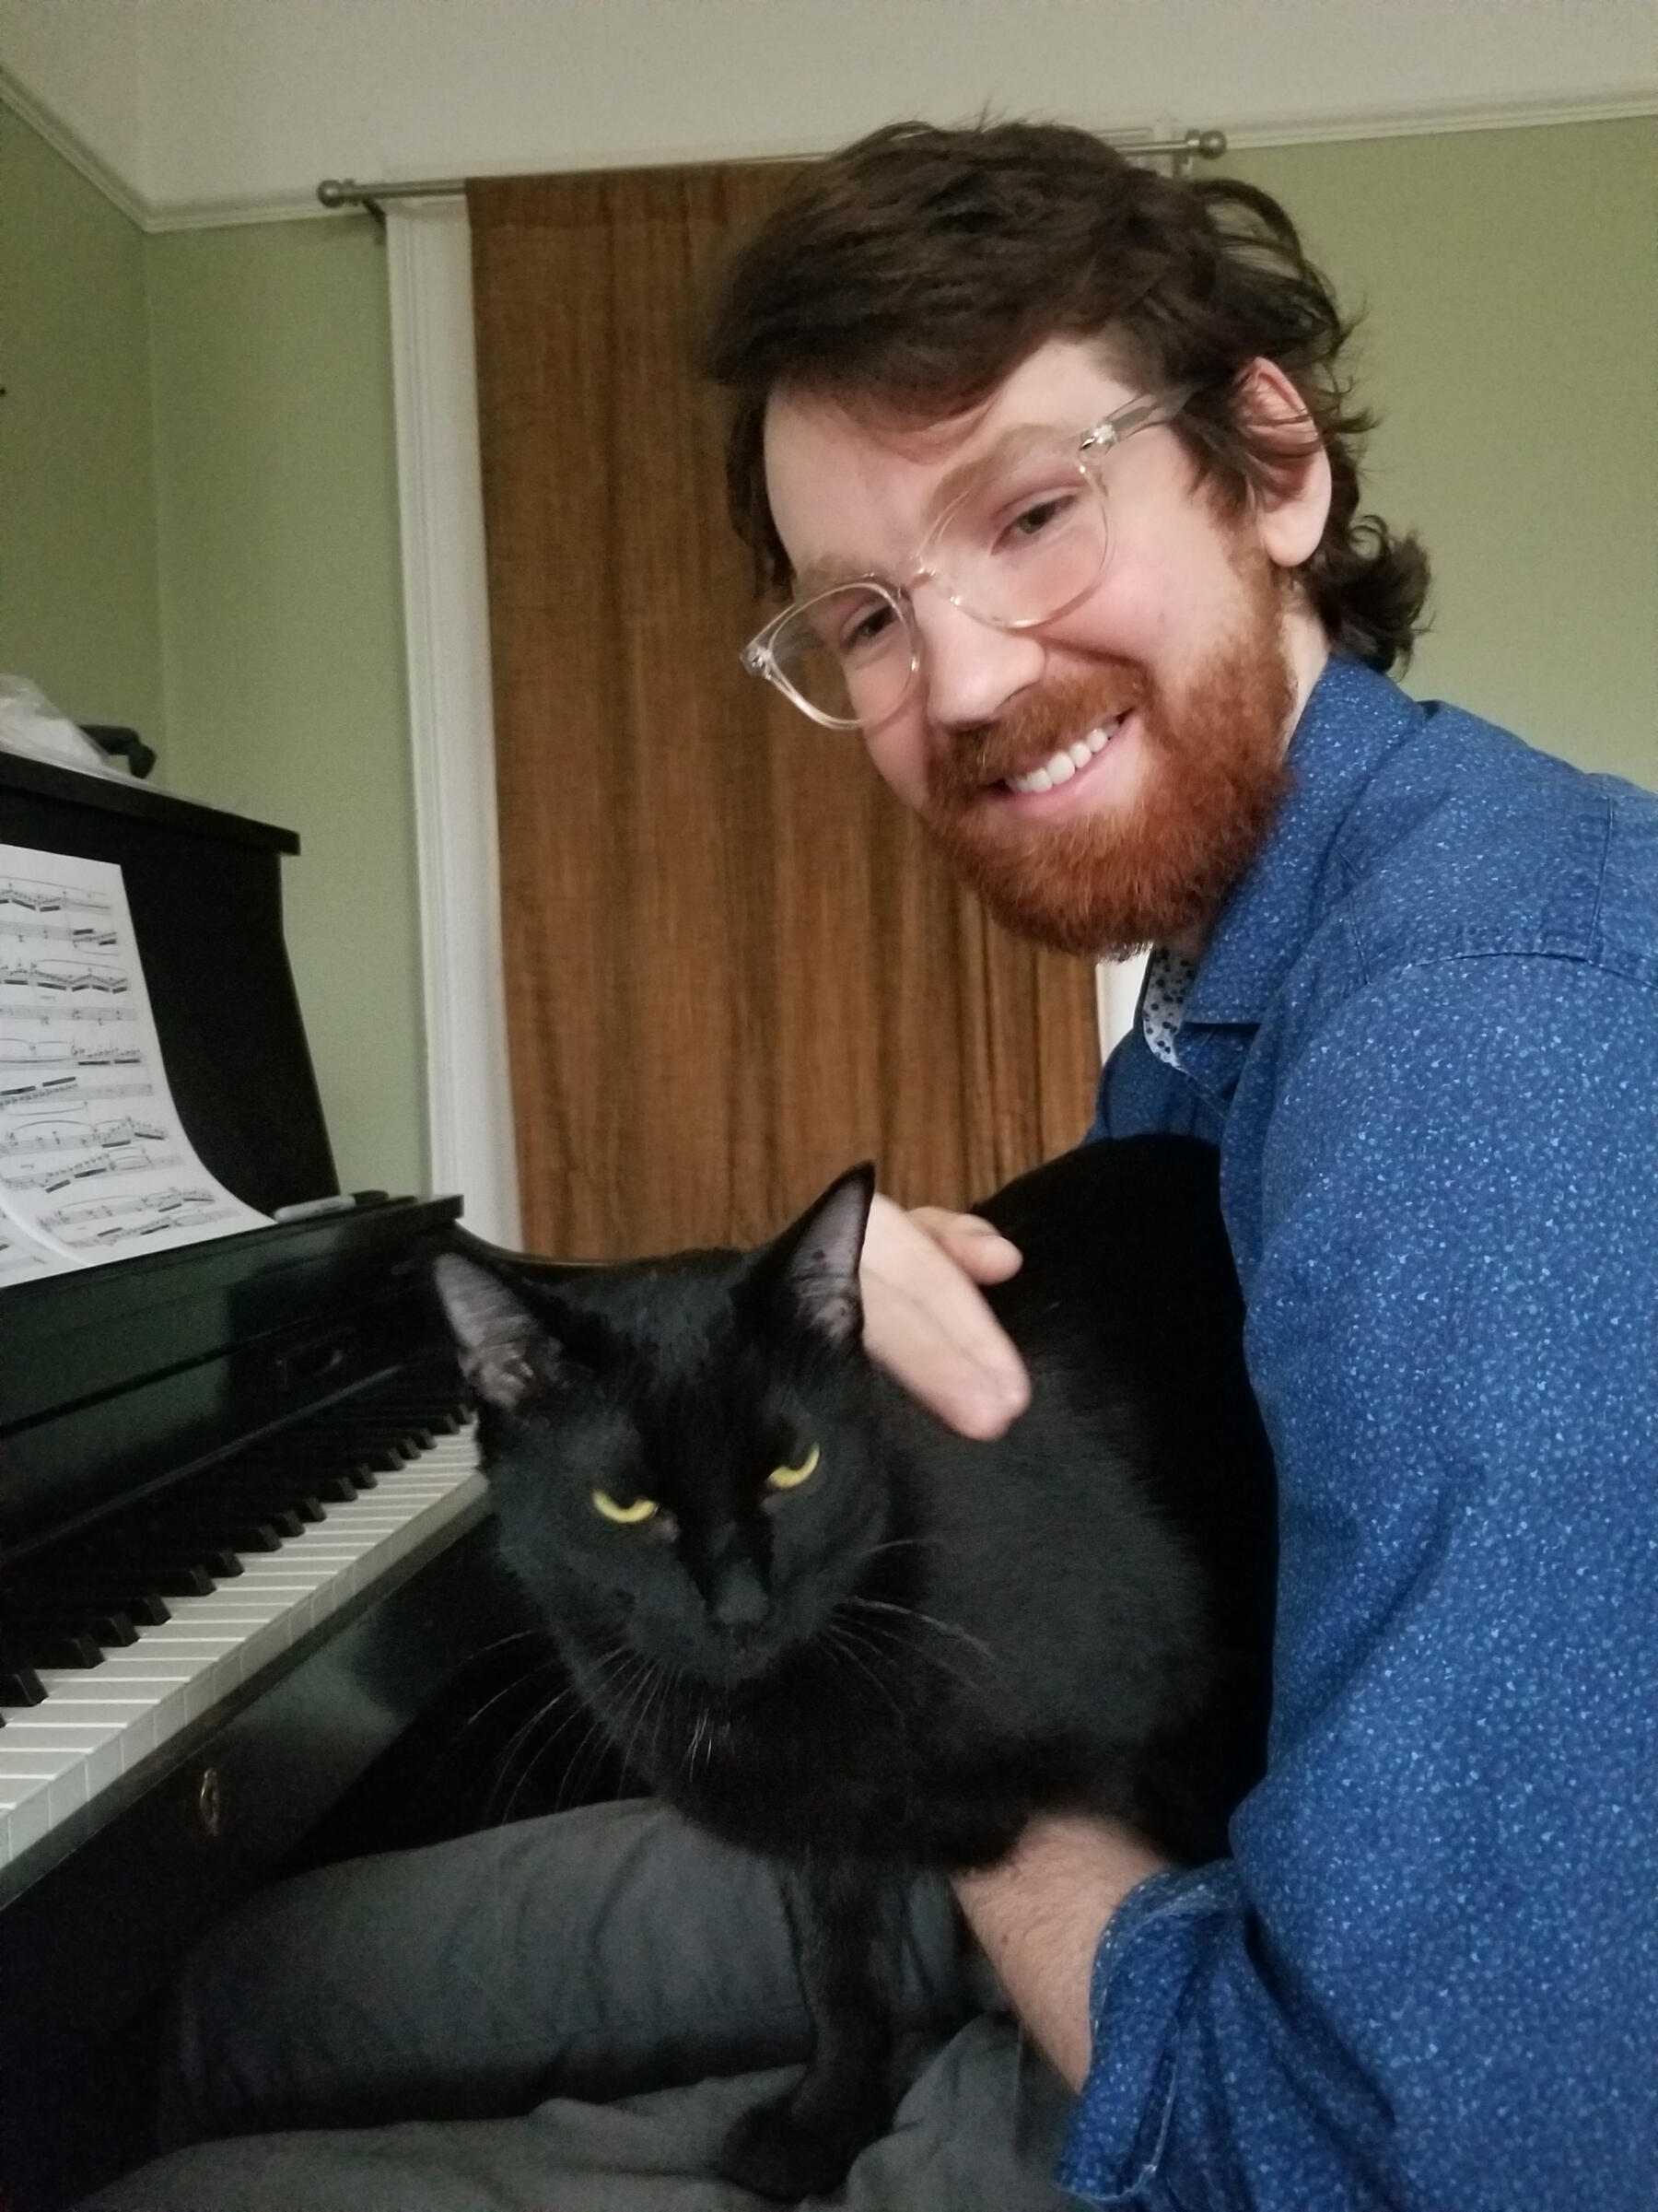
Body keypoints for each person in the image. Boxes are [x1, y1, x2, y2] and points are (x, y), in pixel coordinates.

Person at [83, 122, 1656, 2212]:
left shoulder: (1477, 1054)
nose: (967, 679)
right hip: (1176, 1822)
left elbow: (1393, 2170)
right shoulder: (1238, 966)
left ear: (1276, 466)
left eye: (1032, 512)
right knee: (246, 1989)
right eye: (868, 617)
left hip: (1235, 2043)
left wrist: (973, 1793)